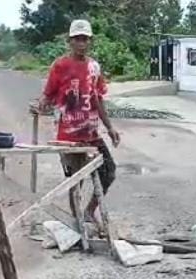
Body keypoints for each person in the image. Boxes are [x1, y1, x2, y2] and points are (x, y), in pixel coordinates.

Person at [40, 18, 120, 226]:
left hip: (92, 135)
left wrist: (110, 128)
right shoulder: (60, 66)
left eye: (85, 39)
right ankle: (77, 224)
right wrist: (41, 105)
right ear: (70, 41)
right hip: (69, 137)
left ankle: (89, 211)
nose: (81, 43)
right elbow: (47, 96)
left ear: (90, 41)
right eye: (77, 39)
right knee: (75, 181)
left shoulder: (94, 67)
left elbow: (98, 98)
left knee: (108, 172)